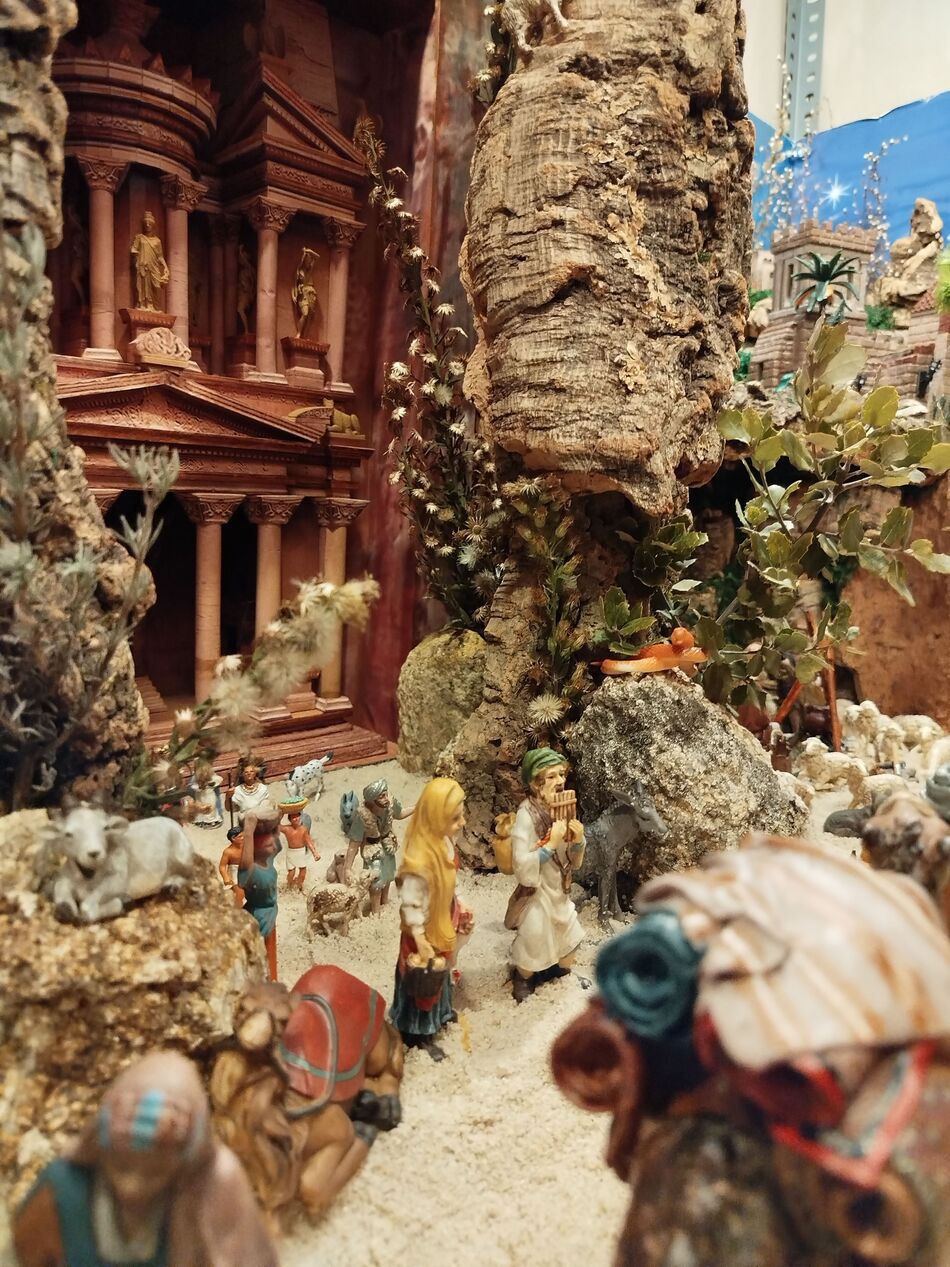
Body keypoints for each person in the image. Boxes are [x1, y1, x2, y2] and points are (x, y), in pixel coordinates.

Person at [13, 1051, 278, 1267]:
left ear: (184, 1164)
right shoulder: (62, 1190)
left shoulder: (213, 1190)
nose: (132, 1187)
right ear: (101, 1146)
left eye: (153, 1174)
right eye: (122, 1167)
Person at [389, 777, 473, 1060]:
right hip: (422, 930)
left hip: (443, 918)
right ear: (437, 818)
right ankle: (417, 1032)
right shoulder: (419, 861)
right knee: (423, 982)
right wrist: (420, 938)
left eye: (461, 815)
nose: (462, 823)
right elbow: (410, 906)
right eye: (454, 818)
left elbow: (451, 879)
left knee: (442, 971)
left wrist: (460, 902)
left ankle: (442, 1013)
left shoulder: (445, 845)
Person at [508, 747, 586, 1003]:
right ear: (535, 783)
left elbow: (573, 861)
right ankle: (523, 977)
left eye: (561, 774)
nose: (561, 781)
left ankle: (554, 968)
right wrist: (550, 845)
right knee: (534, 937)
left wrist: (578, 841)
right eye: (552, 776)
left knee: (567, 949)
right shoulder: (525, 816)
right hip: (538, 892)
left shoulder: (564, 807)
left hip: (559, 889)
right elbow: (521, 864)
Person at [218, 802, 281, 980]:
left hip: (270, 912)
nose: (273, 848)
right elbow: (246, 857)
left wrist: (278, 817)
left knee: (270, 951)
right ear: (257, 849)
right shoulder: (250, 869)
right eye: (268, 846)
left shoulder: (268, 861)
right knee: (259, 951)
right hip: (258, 914)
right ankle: (261, 978)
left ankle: (271, 978)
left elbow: (276, 841)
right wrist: (249, 827)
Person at [341, 779, 415, 915]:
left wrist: (417, 807)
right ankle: (376, 911)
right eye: (381, 796)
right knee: (376, 881)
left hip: (388, 845)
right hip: (372, 850)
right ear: (372, 800)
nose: (386, 798)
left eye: (386, 794)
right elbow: (354, 845)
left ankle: (385, 902)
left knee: (388, 875)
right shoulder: (362, 817)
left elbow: (400, 814)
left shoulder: (390, 806)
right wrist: (347, 868)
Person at [130, 210, 170, 311]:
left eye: (149, 223)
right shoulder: (140, 238)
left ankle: (154, 306)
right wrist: (136, 254)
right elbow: (134, 249)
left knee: (156, 286)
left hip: (154, 266)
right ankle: (143, 305)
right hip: (143, 265)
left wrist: (166, 267)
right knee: (142, 286)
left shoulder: (157, 241)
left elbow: (160, 256)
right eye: (146, 223)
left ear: (153, 225)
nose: (147, 225)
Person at [280, 809, 320, 891]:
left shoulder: (303, 829)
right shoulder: (287, 829)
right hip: (291, 853)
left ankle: (299, 886)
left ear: (300, 817)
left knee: (303, 871)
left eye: (297, 816)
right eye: (293, 817)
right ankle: (289, 886)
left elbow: (308, 841)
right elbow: (277, 826)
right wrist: (281, 814)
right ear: (290, 819)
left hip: (300, 852)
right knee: (291, 872)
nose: (296, 819)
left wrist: (314, 853)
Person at [226, 760, 270, 826]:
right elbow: (229, 808)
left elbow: (266, 807)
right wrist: (227, 796)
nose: (249, 773)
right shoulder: (238, 790)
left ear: (255, 773)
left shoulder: (262, 788)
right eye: (246, 772)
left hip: (260, 822)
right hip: (245, 822)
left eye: (251, 771)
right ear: (243, 774)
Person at [189, 759, 223, 829]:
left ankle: (211, 820)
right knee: (200, 807)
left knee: (210, 808)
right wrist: (199, 787)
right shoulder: (195, 778)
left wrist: (210, 783)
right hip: (200, 796)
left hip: (209, 795)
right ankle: (201, 820)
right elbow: (193, 786)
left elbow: (219, 779)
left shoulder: (212, 776)